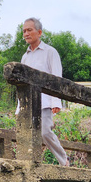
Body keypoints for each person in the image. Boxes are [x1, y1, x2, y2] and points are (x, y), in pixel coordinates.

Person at [18, 17, 69, 166]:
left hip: (45, 100)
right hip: (28, 103)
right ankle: (31, 164)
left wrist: (56, 101)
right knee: (28, 134)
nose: (26, 33)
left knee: (45, 131)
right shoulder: (25, 57)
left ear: (39, 32)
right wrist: (19, 107)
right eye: (24, 31)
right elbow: (21, 84)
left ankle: (64, 160)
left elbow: (56, 77)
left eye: (29, 30)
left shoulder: (50, 52)